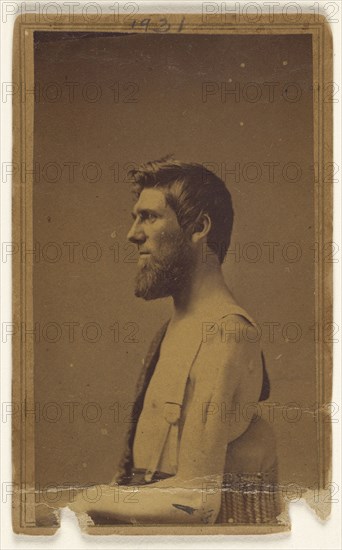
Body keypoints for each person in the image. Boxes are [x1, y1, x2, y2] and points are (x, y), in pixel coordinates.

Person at [67, 157, 278, 525]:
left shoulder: (226, 334)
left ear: (199, 228)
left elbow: (196, 501)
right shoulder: (170, 333)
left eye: (149, 217)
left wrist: (90, 500)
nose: (133, 234)